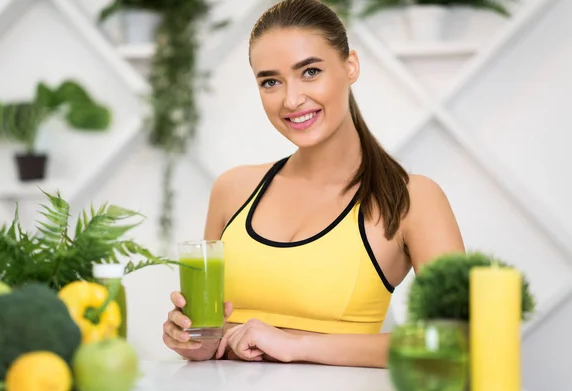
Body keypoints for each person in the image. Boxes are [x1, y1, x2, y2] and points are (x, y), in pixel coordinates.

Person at [162, 0, 465, 368]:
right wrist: (198, 340)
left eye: (310, 72)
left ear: (350, 66)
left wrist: (296, 344)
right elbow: (213, 333)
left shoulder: (411, 199)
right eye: (270, 81)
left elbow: (457, 341)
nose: (291, 99)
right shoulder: (232, 190)